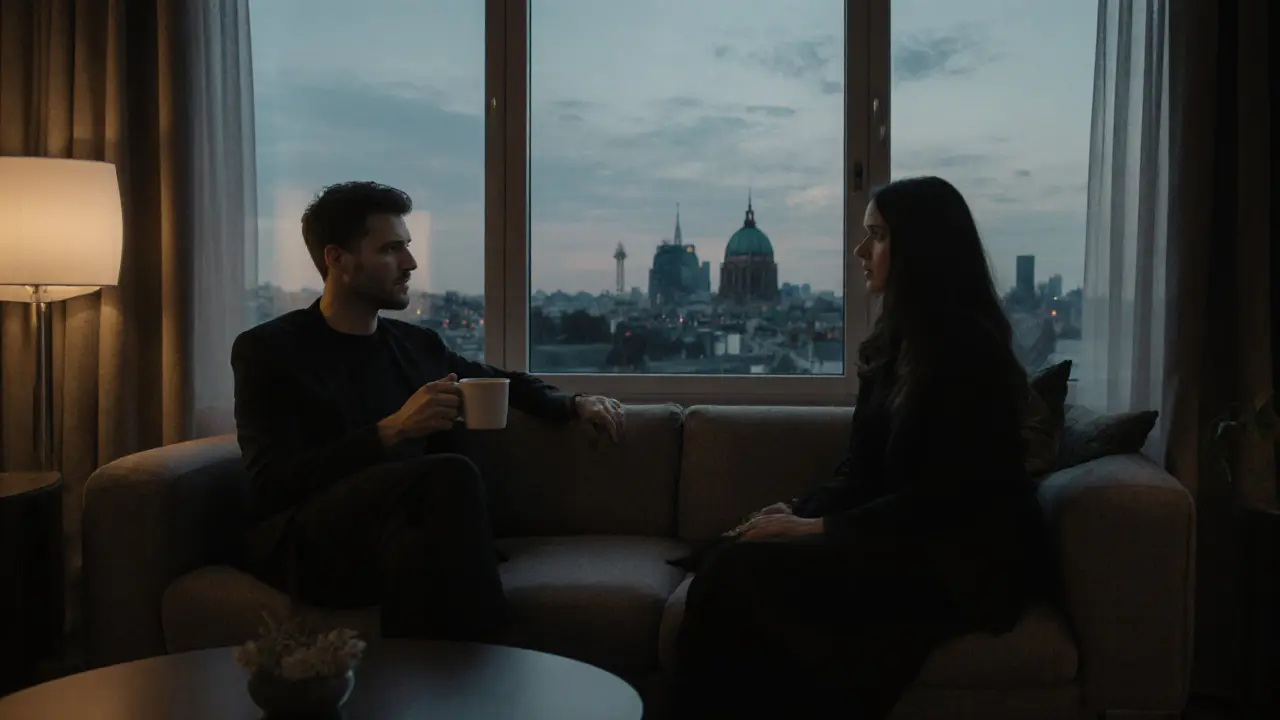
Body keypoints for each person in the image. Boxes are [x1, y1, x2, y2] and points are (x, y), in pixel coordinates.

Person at [669, 176, 1050, 719]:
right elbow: (861, 469)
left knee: (738, 580)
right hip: (900, 535)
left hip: (958, 556)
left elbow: (951, 495)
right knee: (736, 559)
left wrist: (820, 530)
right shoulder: (893, 343)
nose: (858, 251)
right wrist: (801, 511)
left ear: (918, 250)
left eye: (875, 235)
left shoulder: (971, 352)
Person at [231, 181, 625, 642]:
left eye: (409, 248)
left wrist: (574, 404)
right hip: (311, 542)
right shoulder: (270, 350)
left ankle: (433, 682)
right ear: (337, 259)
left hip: (404, 538)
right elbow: (271, 484)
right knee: (447, 475)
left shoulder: (417, 346)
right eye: (391, 249)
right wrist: (389, 432)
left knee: (436, 521)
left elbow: (499, 380)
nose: (411, 264)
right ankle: (486, 672)